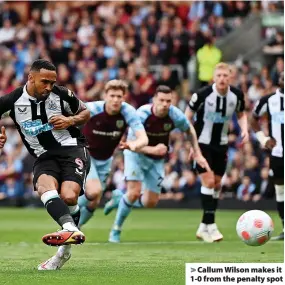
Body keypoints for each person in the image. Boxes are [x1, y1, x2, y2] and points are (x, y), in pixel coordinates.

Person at [0, 59, 91, 269]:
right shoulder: (13, 100)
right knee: (44, 187)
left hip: (72, 148)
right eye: (45, 82)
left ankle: (64, 251)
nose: (49, 87)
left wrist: (70, 121)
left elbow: (85, 113)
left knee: (69, 196)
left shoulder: (61, 94)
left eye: (53, 82)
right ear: (30, 78)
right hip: (43, 156)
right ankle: (70, 228)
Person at [104, 85, 210, 243]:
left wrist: (197, 151)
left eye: (169, 101)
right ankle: (116, 230)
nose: (165, 104)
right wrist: (154, 149)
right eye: (161, 100)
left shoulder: (175, 115)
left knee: (150, 202)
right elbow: (132, 143)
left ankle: (120, 200)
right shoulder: (141, 114)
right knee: (134, 193)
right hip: (135, 155)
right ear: (154, 100)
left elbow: (189, 130)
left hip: (156, 161)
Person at [185, 62, 248, 242]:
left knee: (217, 184)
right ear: (213, 77)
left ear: (230, 78)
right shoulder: (202, 95)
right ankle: (211, 226)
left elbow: (242, 114)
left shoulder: (236, 95)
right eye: (218, 75)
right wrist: (192, 144)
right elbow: (186, 117)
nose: (222, 79)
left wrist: (244, 129)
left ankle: (203, 225)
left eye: (225, 76)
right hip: (202, 145)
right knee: (209, 181)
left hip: (221, 144)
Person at [78, 79, 148, 228]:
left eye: (119, 96)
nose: (115, 100)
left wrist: (134, 144)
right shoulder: (90, 109)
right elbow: (66, 116)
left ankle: (74, 229)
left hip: (105, 160)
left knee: (95, 201)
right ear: (105, 96)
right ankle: (67, 223)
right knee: (94, 191)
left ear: (124, 98)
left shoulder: (128, 112)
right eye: (112, 96)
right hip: (84, 153)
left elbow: (143, 138)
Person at [252, 71, 284, 241]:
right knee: (280, 189)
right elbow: (253, 118)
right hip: (278, 154)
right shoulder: (269, 100)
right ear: (279, 81)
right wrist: (263, 138)